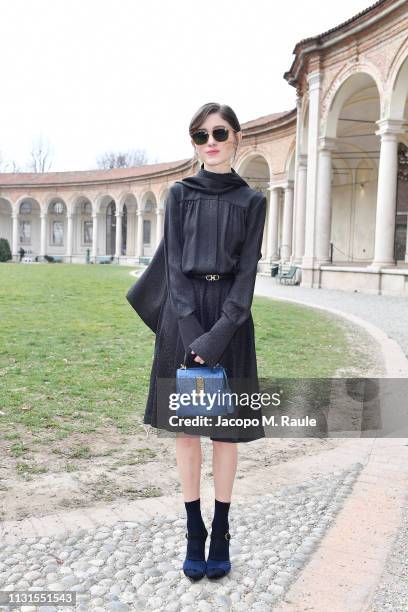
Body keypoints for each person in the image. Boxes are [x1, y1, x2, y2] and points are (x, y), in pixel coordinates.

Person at [126, 102, 267, 581]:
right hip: (182, 320)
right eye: (200, 135)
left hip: (231, 319)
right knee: (187, 432)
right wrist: (192, 334)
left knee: (225, 435)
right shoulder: (179, 194)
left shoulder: (253, 201)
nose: (210, 141)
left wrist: (220, 333)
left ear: (236, 138)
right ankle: (193, 530)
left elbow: (247, 274)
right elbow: (173, 268)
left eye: (219, 132)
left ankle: (222, 529)